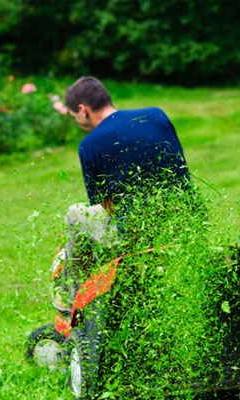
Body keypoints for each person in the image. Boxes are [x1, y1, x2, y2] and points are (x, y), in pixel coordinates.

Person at [55, 76, 190, 305]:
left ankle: (77, 299)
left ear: (82, 110)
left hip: (139, 235)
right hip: (185, 220)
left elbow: (108, 208)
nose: (76, 120)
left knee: (75, 214)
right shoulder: (157, 115)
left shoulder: (89, 144)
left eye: (74, 115)